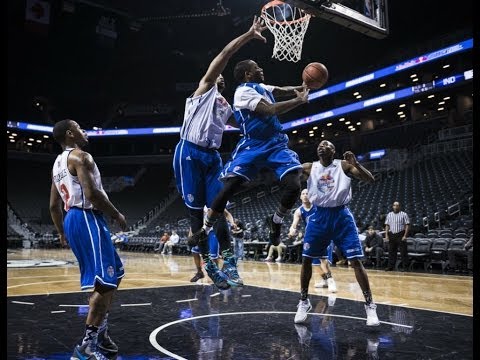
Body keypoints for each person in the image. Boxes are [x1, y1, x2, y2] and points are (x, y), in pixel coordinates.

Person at [172, 16, 267, 291]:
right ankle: (209, 267)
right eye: (219, 73)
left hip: (212, 158)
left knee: (219, 206)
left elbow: (251, 124)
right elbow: (226, 54)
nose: (221, 75)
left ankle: (230, 263)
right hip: (188, 152)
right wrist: (249, 35)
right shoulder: (203, 91)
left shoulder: (228, 106)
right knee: (194, 215)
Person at [188, 57, 310, 254]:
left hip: (276, 143)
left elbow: (278, 89)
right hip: (253, 144)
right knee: (229, 187)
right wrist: (298, 100)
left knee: (294, 185)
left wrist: (301, 86)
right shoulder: (243, 92)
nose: (261, 69)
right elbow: (269, 110)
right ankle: (205, 229)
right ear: (247, 74)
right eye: (257, 67)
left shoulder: (260, 87)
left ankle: (275, 221)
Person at [49, 119, 127, 359]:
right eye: (80, 128)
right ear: (71, 133)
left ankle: (100, 332)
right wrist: (116, 214)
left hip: (73, 219)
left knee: (116, 274)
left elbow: (54, 206)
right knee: (104, 282)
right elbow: (92, 194)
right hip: (87, 217)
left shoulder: (57, 164)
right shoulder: (81, 157)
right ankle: (87, 346)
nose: (85, 131)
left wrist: (63, 232)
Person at [294, 140, 380, 326]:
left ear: (333, 151)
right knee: (307, 259)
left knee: (356, 261)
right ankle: (303, 301)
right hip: (318, 215)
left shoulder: (343, 165)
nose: (321, 146)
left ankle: (370, 306)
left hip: (341, 215)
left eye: (326, 144)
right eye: (319, 145)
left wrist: (356, 164)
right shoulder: (309, 167)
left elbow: (370, 179)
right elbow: (287, 176)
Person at [289, 188, 337, 292]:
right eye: (303, 194)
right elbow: (294, 224)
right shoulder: (298, 211)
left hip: (324, 235)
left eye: (307, 193)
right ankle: (324, 280)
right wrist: (292, 230)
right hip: (311, 237)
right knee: (315, 263)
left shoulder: (318, 206)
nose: (305, 195)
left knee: (323, 260)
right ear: (300, 197)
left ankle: (331, 280)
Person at [384, 201, 410, 271]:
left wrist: (405, 235)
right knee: (391, 251)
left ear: (399, 207)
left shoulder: (404, 214)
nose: (396, 207)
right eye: (394, 205)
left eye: (397, 205)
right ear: (393, 206)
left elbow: (407, 225)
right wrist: (386, 235)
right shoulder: (389, 214)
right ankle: (391, 266)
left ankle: (406, 267)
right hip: (392, 234)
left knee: (403, 251)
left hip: (400, 234)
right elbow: (387, 225)